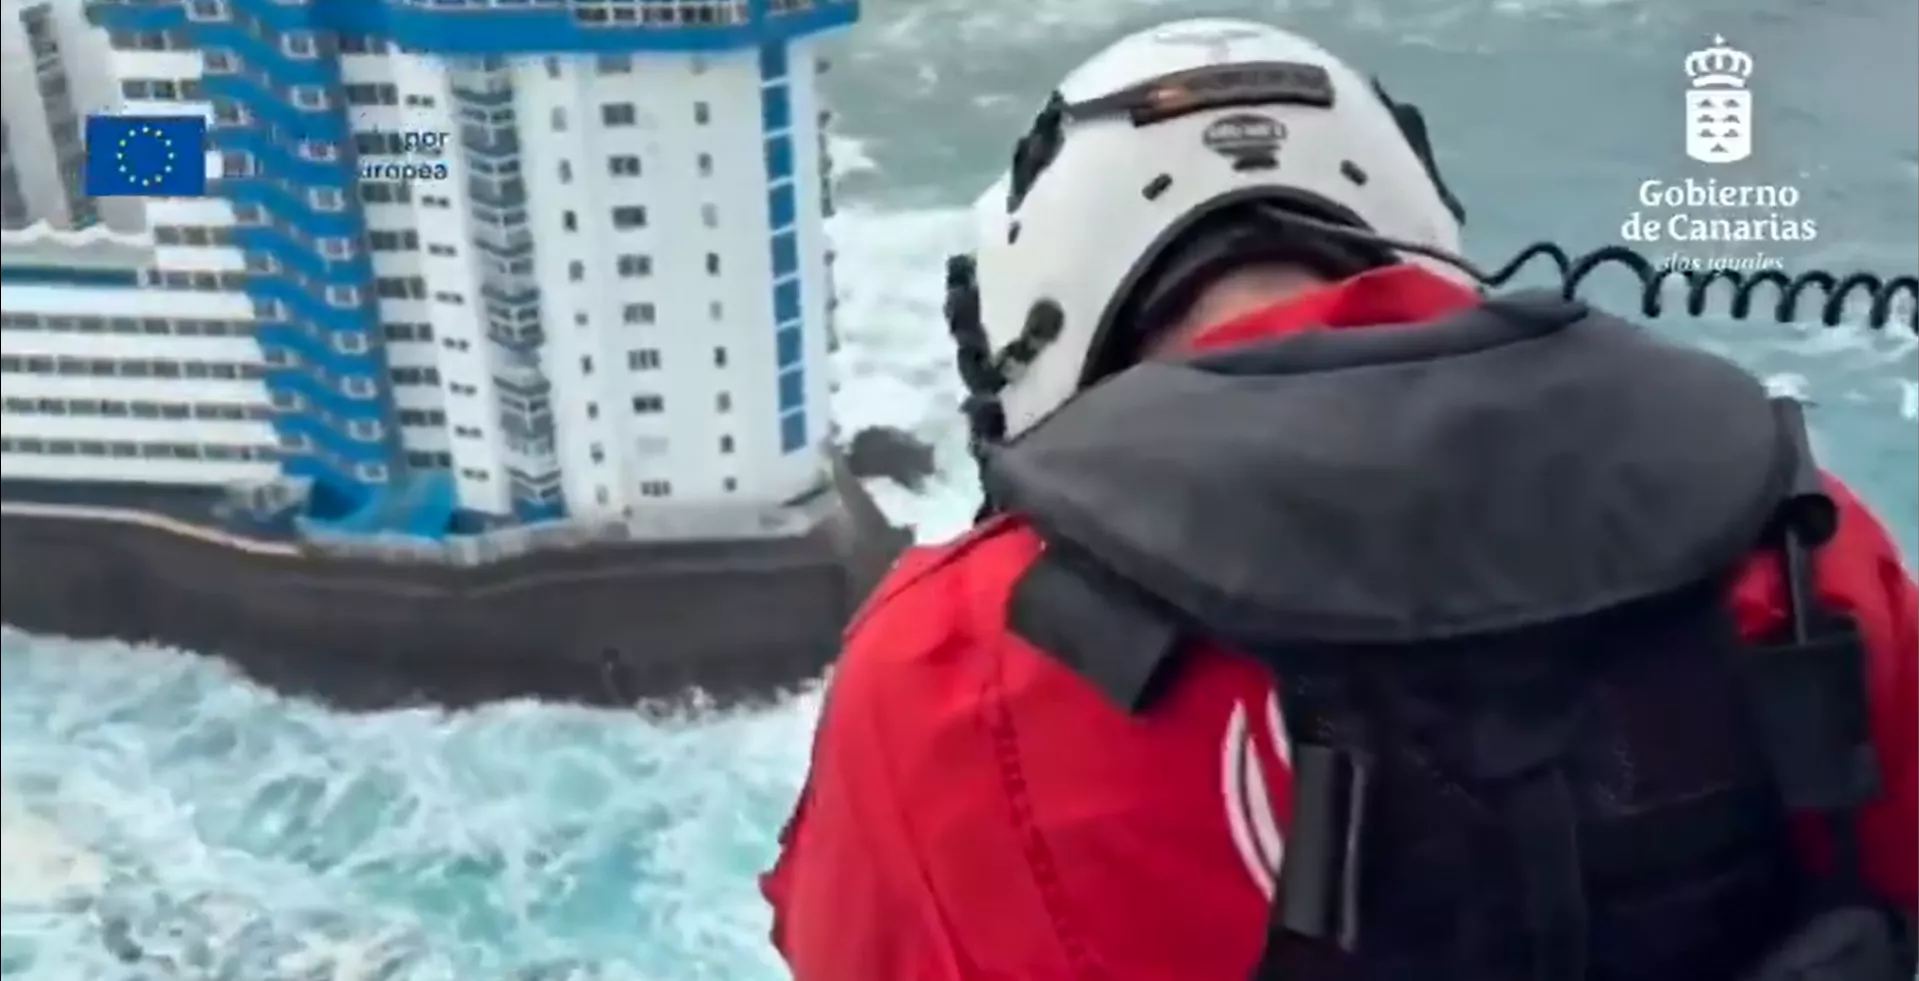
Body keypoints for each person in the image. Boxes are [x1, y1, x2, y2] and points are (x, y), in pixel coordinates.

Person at [761, 18, 1917, 981]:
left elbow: (854, 944)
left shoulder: (944, 664)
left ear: (1030, 312)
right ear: (1416, 233)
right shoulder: (1800, 532)